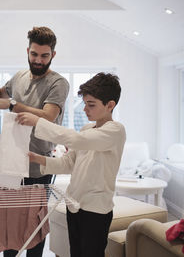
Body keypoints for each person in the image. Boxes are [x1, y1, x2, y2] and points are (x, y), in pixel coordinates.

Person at [0, 26, 69, 257]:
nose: (38, 60)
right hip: (12, 165)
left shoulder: (58, 83)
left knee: (34, 230)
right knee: (10, 227)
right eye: (34, 54)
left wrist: (12, 105)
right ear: (28, 50)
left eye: (44, 55)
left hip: (38, 167)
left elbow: (48, 116)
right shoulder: (19, 77)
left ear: (53, 54)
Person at [16, 72, 126, 257]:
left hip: (96, 210)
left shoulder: (115, 131)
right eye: (85, 104)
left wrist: (39, 121)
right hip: (74, 205)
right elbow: (68, 163)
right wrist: (38, 158)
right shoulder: (87, 129)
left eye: (91, 105)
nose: (85, 110)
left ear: (110, 105)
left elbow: (77, 139)